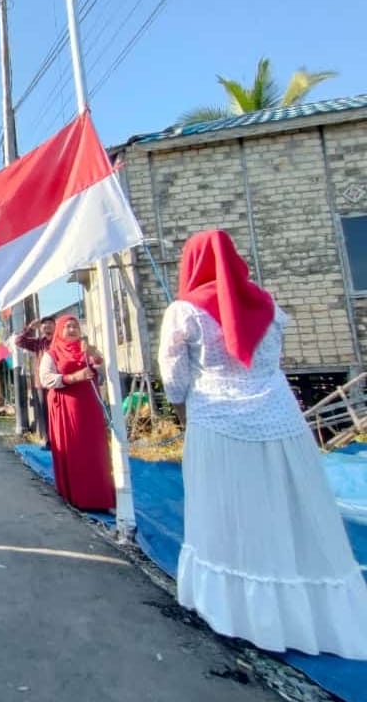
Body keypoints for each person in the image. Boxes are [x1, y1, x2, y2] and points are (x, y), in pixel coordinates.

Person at [159, 229, 367, 659]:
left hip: (220, 423)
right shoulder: (267, 306)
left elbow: (175, 382)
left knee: (228, 513)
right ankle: (309, 618)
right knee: (287, 513)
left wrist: (184, 407)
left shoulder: (185, 312)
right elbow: (271, 361)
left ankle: (237, 612)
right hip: (281, 421)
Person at [38, 315, 116, 512]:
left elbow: (106, 372)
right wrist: (73, 377)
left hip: (90, 406)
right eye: (67, 327)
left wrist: (95, 355)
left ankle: (99, 496)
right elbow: (46, 379)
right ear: (60, 331)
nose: (72, 330)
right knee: (74, 448)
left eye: (75, 327)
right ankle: (77, 496)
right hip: (66, 407)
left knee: (96, 450)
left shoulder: (86, 350)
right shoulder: (52, 354)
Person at [15, 316, 55, 446]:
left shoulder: (59, 341)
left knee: (58, 412)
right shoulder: (38, 343)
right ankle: (46, 440)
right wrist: (30, 328)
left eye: (50, 324)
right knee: (43, 413)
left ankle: (61, 440)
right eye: (44, 325)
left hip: (59, 382)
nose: (47, 326)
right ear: (41, 328)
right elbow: (19, 341)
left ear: (56, 326)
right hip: (41, 383)